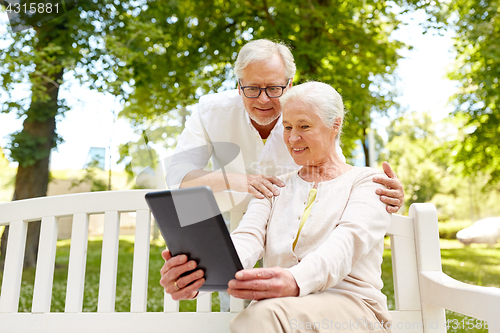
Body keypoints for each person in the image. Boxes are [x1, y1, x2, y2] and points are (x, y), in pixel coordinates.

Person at [161, 82, 392, 332]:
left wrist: (293, 280)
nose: (293, 138)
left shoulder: (369, 183)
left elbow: (346, 243)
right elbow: (247, 238)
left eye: (304, 126)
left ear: (335, 125)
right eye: (287, 127)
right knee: (262, 315)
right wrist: (200, 275)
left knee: (259, 317)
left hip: (351, 308)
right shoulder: (275, 186)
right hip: (278, 310)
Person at [165, 39, 404, 212]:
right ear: (239, 86)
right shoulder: (210, 111)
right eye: (252, 88)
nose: (263, 99)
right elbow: (179, 177)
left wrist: (380, 191)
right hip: (227, 227)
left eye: (273, 88)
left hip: (290, 228)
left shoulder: (308, 114)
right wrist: (242, 180)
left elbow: (334, 171)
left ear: (289, 84)